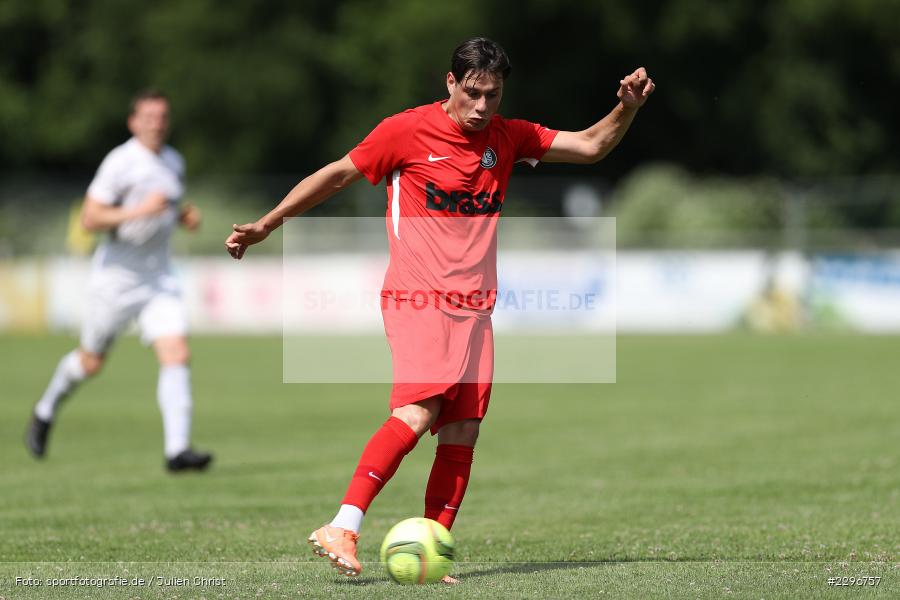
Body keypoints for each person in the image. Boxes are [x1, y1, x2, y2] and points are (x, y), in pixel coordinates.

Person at [225, 37, 654, 580]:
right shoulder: (404, 131)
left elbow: (591, 147)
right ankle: (342, 524)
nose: (481, 107)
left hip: (476, 310)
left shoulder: (510, 136)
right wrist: (270, 222)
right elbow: (338, 173)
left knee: (463, 430)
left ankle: (434, 546)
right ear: (450, 83)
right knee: (419, 409)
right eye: (472, 93)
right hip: (418, 296)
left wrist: (627, 108)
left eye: (492, 96)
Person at [26, 90, 213, 473]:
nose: (156, 123)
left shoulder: (174, 161)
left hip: (158, 277)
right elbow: (90, 219)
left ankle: (177, 451)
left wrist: (182, 217)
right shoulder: (120, 161)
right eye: (148, 117)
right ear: (133, 122)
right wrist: (138, 210)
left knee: (176, 352)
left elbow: (167, 208)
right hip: (117, 279)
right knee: (90, 362)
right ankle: (45, 409)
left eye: (162, 116)